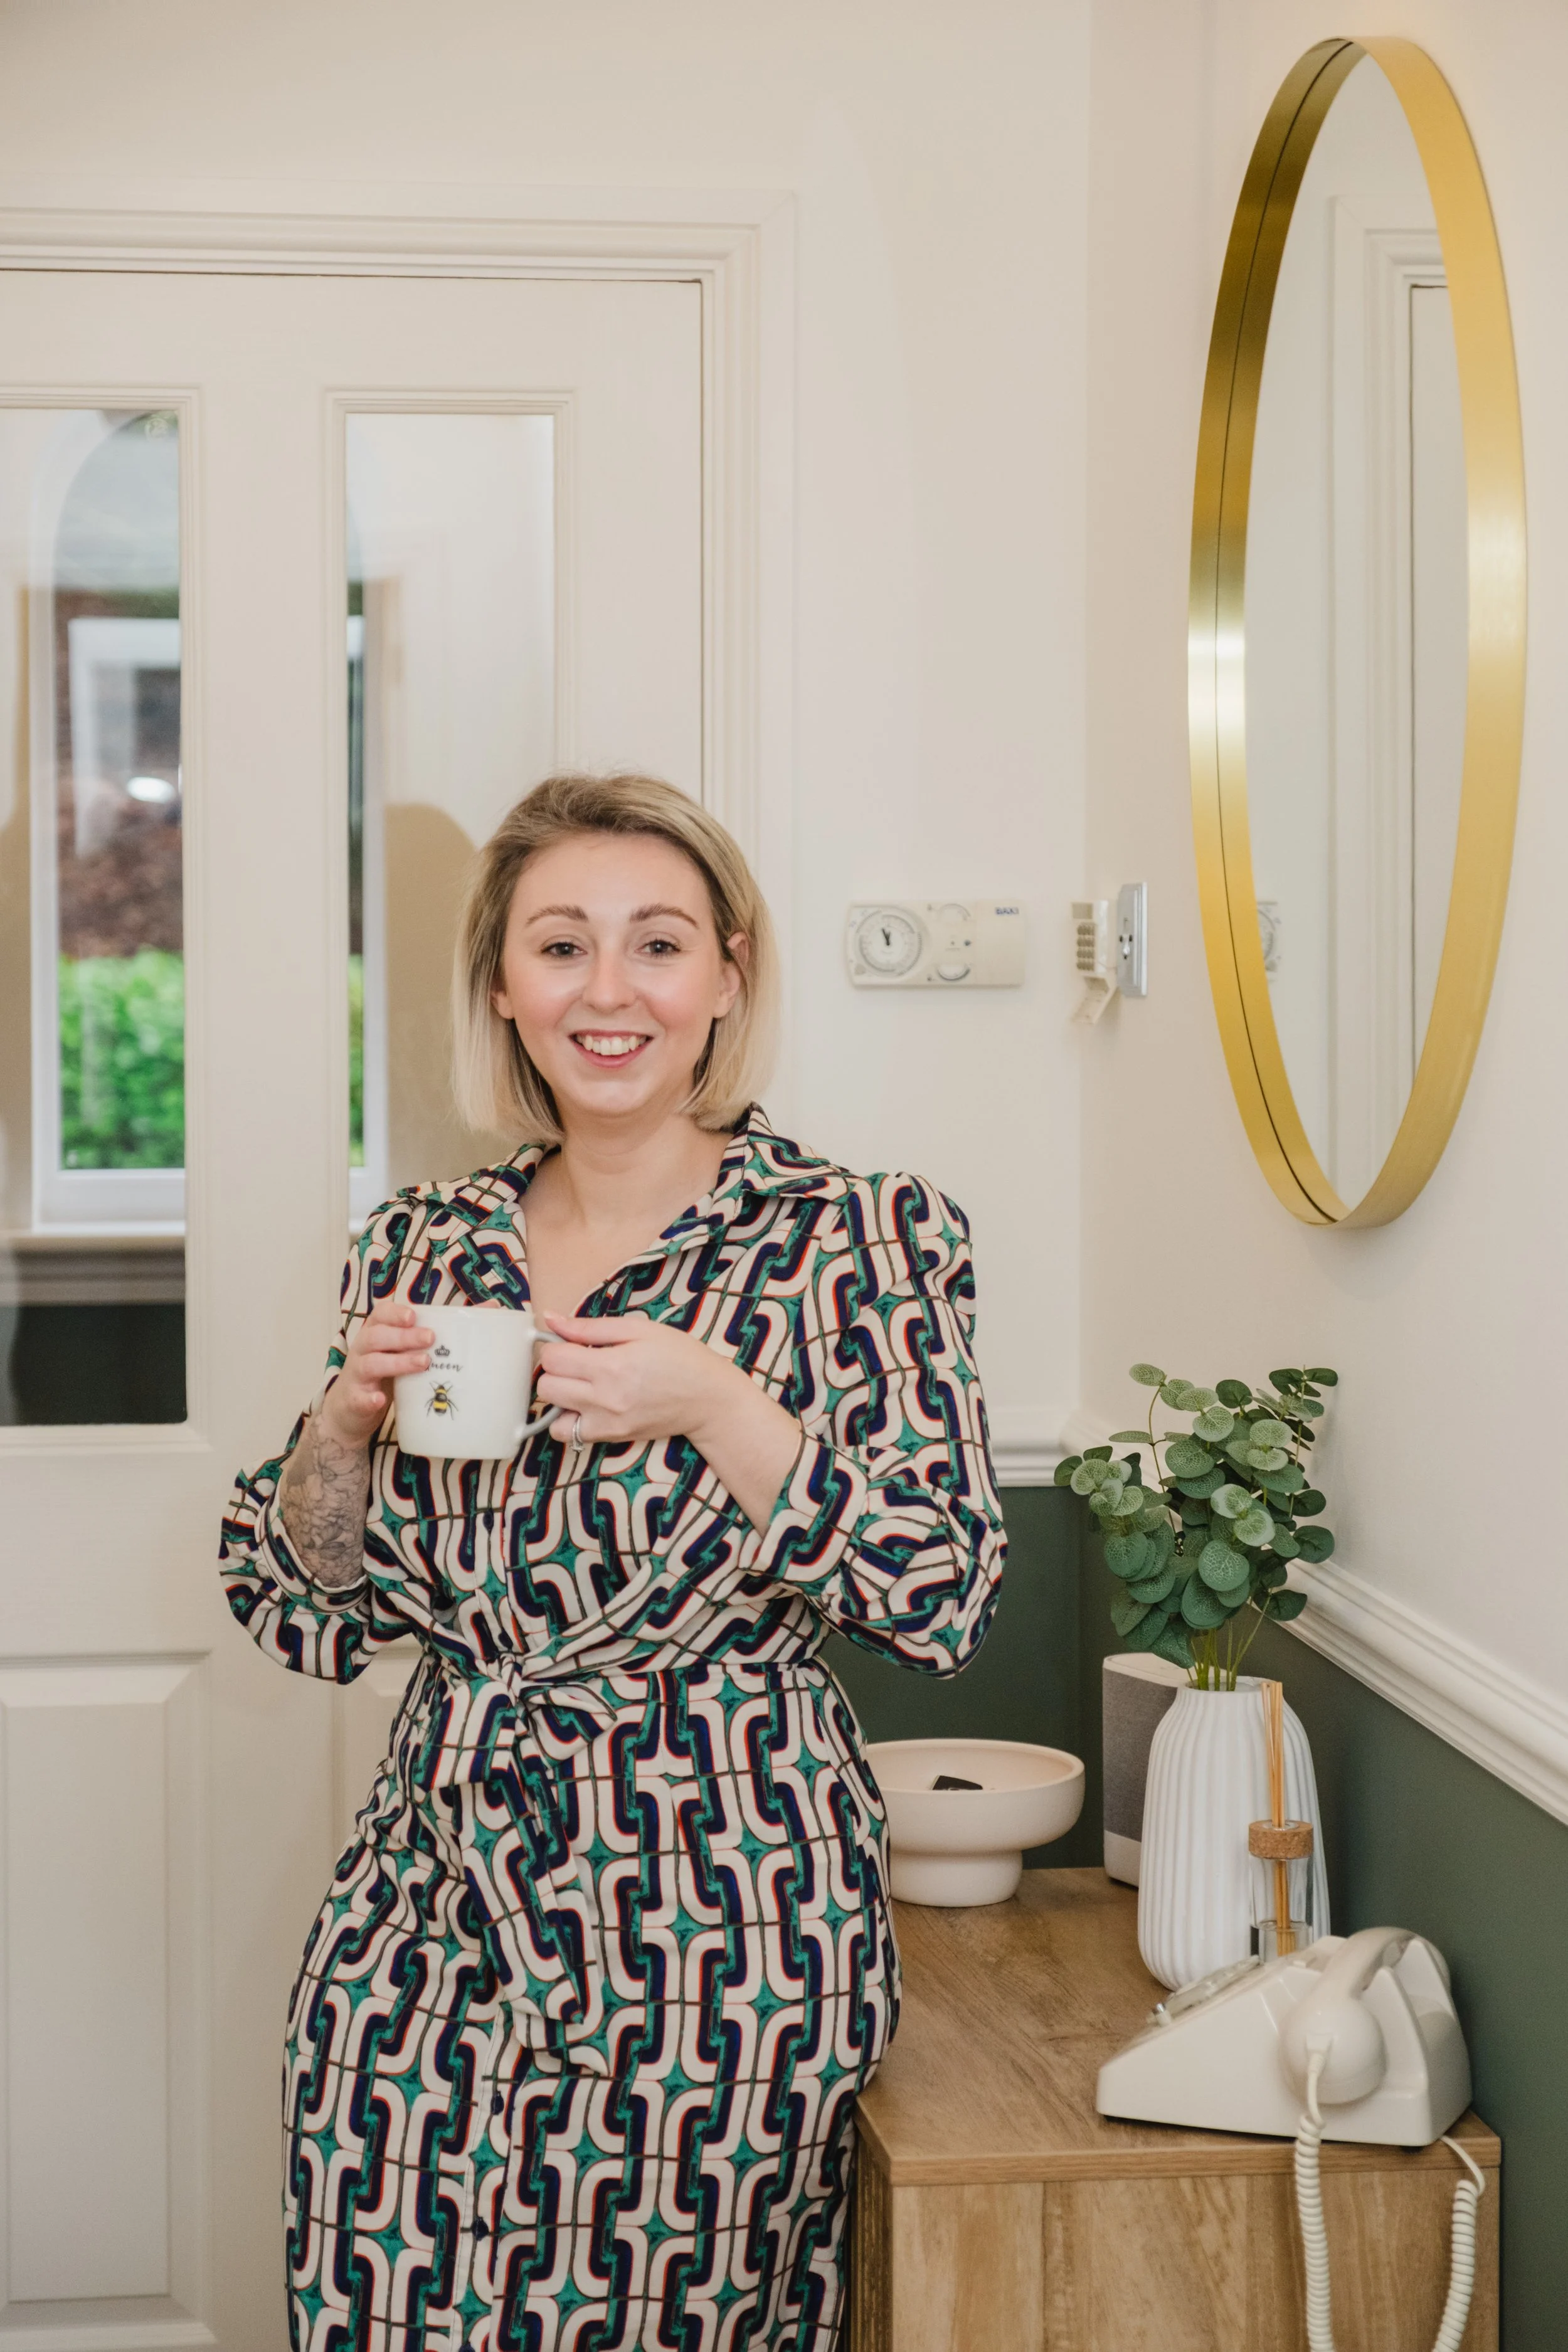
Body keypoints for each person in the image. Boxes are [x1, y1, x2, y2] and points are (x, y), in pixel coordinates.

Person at [220, 771, 1005, 2351]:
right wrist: (340, 1428)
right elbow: (300, 1606)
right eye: (560, 944)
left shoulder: (862, 1238)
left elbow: (943, 1595)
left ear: (725, 975)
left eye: (656, 943)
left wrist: (720, 1407)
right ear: (502, 988)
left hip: (724, 1916)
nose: (607, 991)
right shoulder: (422, 1245)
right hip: (429, 1907)